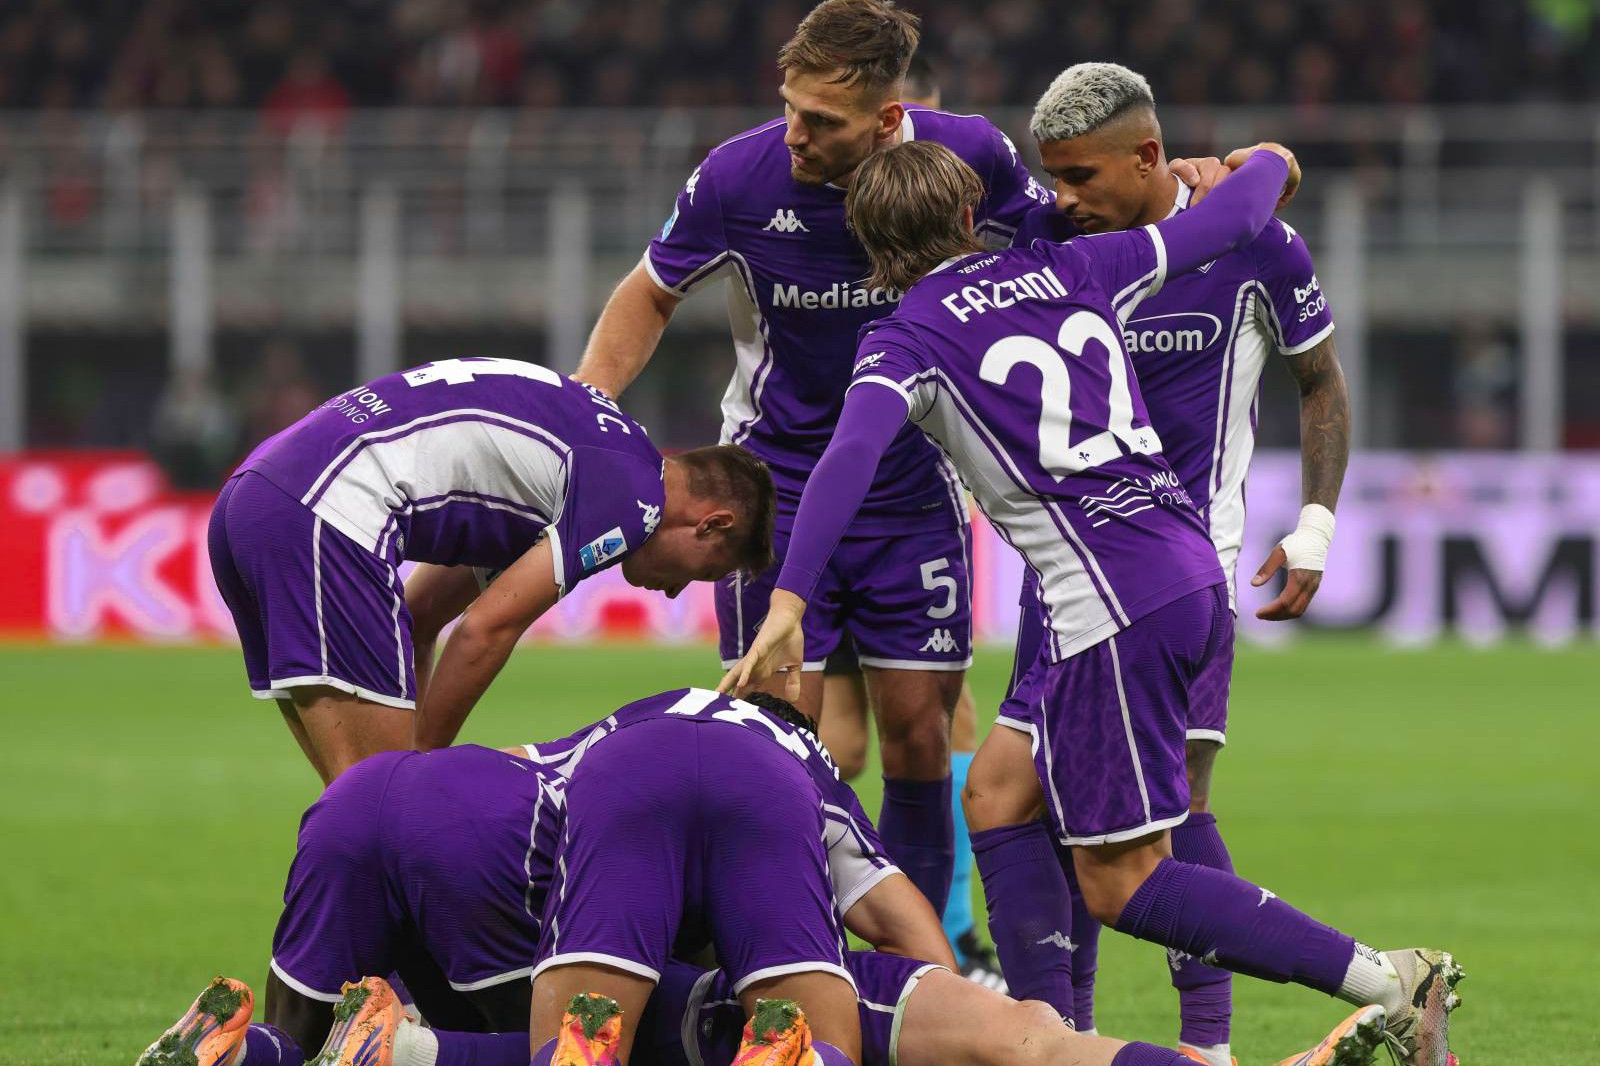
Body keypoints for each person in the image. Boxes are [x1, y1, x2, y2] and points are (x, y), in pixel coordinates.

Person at [720, 139, 1461, 1066]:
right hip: (1180, 563)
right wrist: (1271, 160)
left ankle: (1386, 982)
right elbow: (1236, 217)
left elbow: (848, 458)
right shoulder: (1074, 265)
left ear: (871, 251)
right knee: (997, 792)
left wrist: (789, 599)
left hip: (1109, 602)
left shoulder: (902, 340)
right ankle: (1053, 1039)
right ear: (967, 218)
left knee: (1122, 882)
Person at [136, 689, 1389, 1066]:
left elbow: (530, 777)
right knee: (1015, 1036)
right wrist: (930, 988)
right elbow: (898, 913)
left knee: (587, 1041)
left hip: (514, 803)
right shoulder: (802, 772)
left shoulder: (633, 717)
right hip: (751, 866)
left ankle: (299, 1050)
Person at [574, 0, 1059, 920]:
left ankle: (917, 968)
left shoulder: (971, 158)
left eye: (822, 121)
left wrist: (1185, 195)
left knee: (919, 737)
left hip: (912, 489)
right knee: (775, 741)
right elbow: (651, 290)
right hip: (775, 490)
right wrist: (586, 412)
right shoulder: (738, 176)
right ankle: (790, 948)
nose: (794, 134)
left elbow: (1070, 243)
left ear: (888, 118)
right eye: (789, 107)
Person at [961, 63, 1351, 1065]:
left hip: (1186, 567)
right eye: (1053, 175)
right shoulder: (1052, 242)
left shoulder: (1256, 244)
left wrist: (1314, 523)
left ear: (1146, 156)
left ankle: (1206, 1043)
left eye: (1081, 175)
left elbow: (1318, 380)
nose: (1060, 197)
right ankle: (1065, 1034)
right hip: (1069, 569)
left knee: (1175, 800)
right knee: (1038, 800)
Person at [208, 357, 774, 784]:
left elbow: (420, 616)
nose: (674, 593)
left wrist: (413, 757)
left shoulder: (595, 450)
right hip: (330, 510)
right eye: (704, 573)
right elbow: (486, 630)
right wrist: (421, 772)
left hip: (254, 496)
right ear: (711, 525)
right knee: (383, 808)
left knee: (357, 801)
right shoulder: (635, 498)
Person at [805, 39, 999, 984]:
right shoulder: (908, 322)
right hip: (837, 505)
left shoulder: (912, 309)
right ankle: (938, 942)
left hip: (906, 504)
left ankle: (921, 948)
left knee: (903, 733)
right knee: (895, 738)